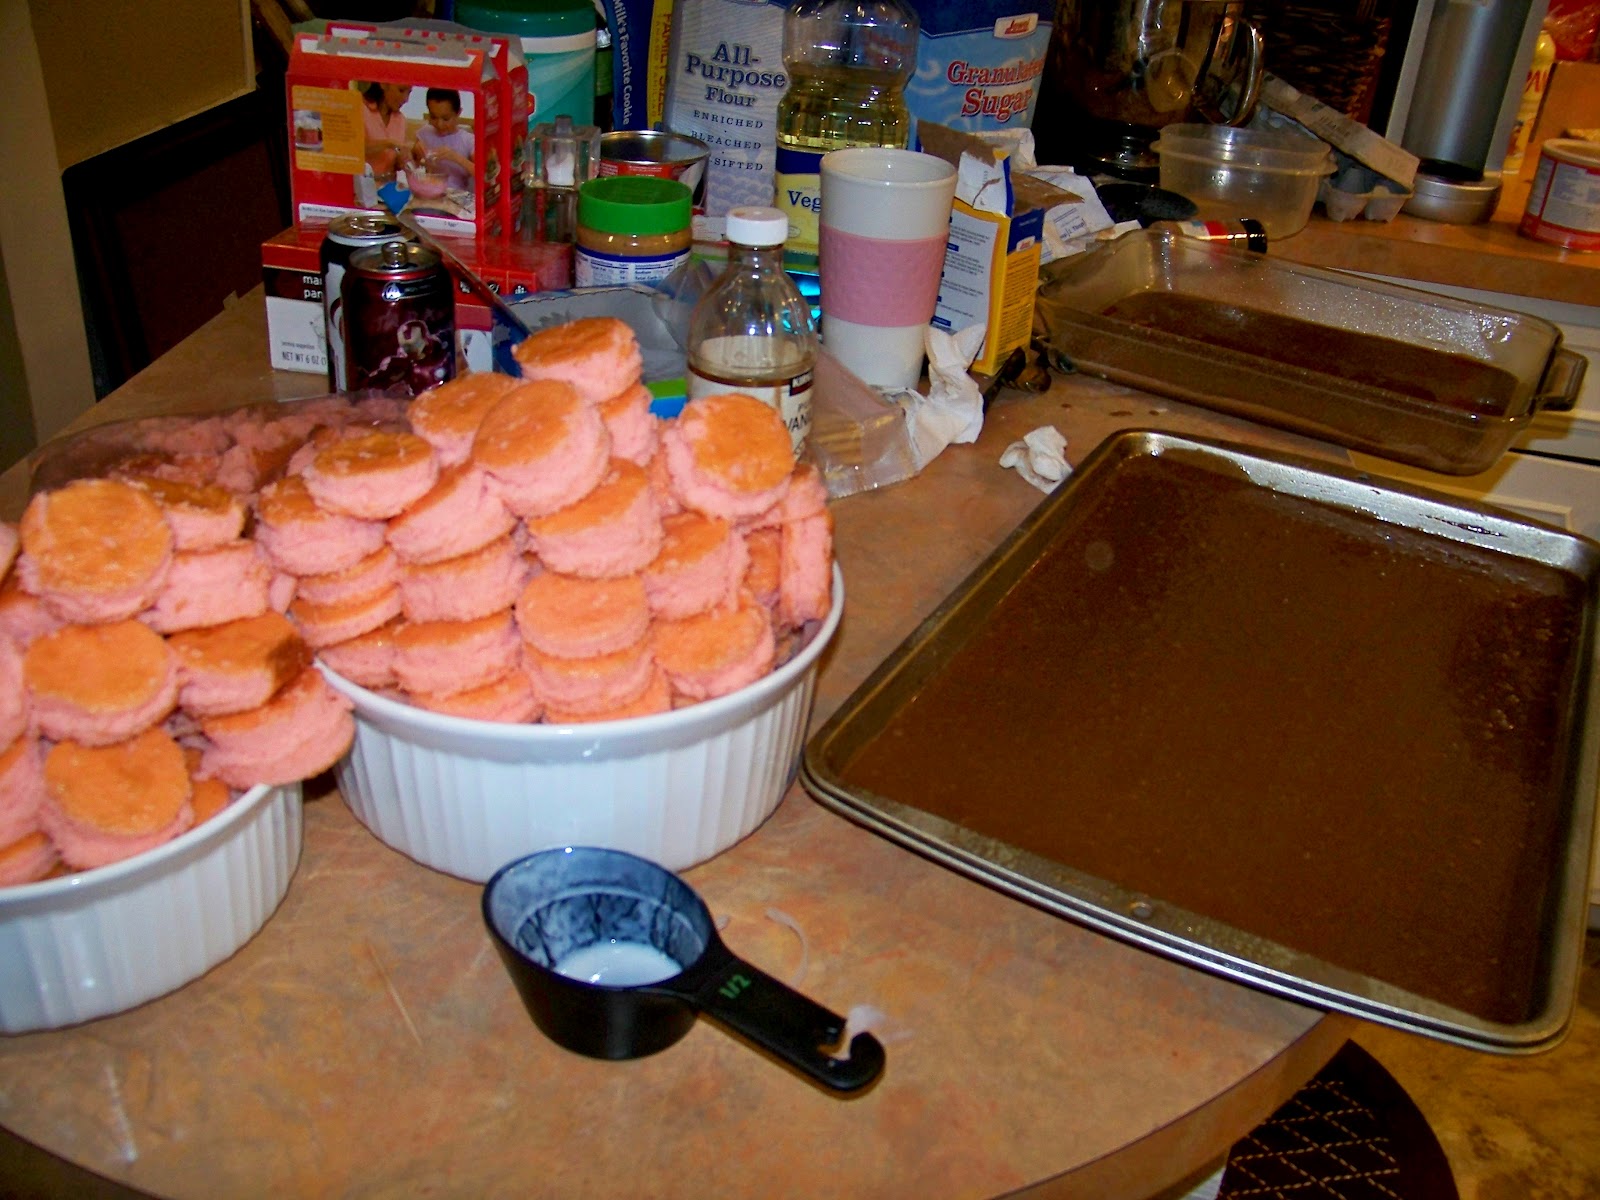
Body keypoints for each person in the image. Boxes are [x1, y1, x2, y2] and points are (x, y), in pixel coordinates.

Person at [411, 88, 474, 191]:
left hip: (456, 197)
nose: (439, 124)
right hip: (427, 192)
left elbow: (483, 174)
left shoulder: (468, 140)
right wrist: (415, 150)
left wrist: (455, 157)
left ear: (458, 113)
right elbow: (412, 164)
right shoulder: (425, 133)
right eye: (433, 117)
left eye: (446, 119)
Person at [362, 81, 413, 182]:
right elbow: (354, 150)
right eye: (401, 90)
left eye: (409, 93)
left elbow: (398, 162)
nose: (406, 99)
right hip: (360, 187)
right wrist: (388, 144)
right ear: (384, 84)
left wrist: (403, 161)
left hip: (388, 189)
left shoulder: (400, 119)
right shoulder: (359, 109)